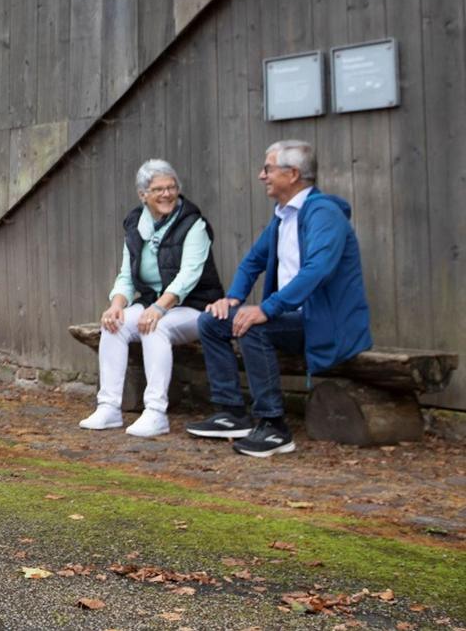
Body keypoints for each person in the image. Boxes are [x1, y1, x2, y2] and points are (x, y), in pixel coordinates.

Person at [186, 140, 372, 458]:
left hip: (326, 325)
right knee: (212, 321)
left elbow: (318, 270)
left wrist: (267, 308)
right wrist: (232, 299)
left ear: (293, 173)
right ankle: (232, 413)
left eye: (268, 168)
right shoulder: (283, 217)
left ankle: (274, 427)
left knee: (254, 327)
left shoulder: (323, 213)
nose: (262, 175)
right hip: (293, 318)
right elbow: (252, 262)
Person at [80, 160, 224, 438]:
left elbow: (188, 276)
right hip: (153, 304)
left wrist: (159, 308)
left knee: (153, 326)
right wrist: (116, 305)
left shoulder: (194, 224)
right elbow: (126, 275)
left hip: (195, 307)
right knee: (115, 324)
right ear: (142, 194)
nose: (167, 194)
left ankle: (156, 413)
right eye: (158, 189)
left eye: (172, 188)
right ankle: (109, 407)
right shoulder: (135, 224)